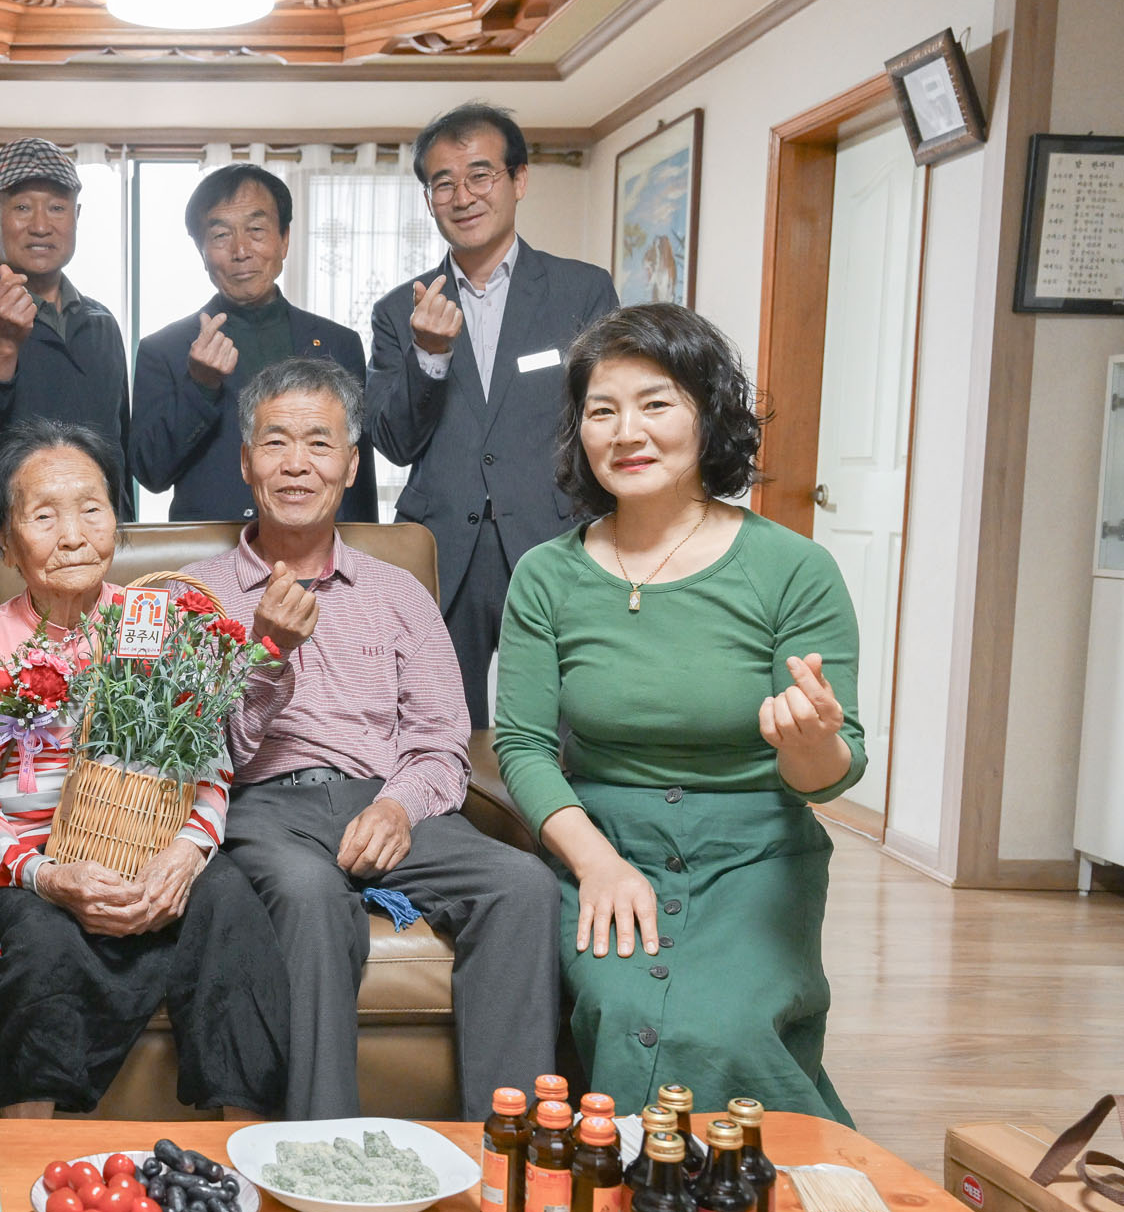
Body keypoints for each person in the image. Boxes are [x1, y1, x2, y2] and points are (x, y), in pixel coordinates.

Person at [492, 304, 866, 1122]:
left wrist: (810, 742)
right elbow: (520, 743)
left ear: (708, 413)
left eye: (656, 403)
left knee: (725, 1025)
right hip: (604, 840)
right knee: (628, 1012)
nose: (627, 431)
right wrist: (595, 862)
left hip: (757, 850)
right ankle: (635, 1186)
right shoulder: (546, 576)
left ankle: (767, 1186)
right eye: (602, 410)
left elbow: (829, 773)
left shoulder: (794, 568)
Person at [186, 357, 559, 1122]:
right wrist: (265, 654)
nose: (297, 464)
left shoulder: (398, 591)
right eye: (276, 442)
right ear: (247, 461)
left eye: (320, 444)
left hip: (384, 799)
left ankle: (507, 1146)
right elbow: (199, 753)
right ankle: (319, 1151)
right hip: (260, 809)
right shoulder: (194, 594)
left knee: (523, 884)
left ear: (351, 467)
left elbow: (442, 742)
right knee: (308, 894)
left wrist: (397, 808)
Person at [0, 419, 288, 1117]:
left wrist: (186, 855)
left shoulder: (153, 622)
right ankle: (31, 1150)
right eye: (44, 516)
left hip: (156, 858)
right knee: (40, 946)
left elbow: (210, 768)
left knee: (231, 905)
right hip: (36, 871)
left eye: (92, 509)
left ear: (116, 523)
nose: (73, 536)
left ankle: (241, 1142)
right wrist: (47, 876)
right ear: (5, 541)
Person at [366, 103, 618, 728]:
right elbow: (392, 441)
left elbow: (610, 414)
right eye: (443, 183)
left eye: (480, 175)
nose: (462, 196)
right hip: (444, 546)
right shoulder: (399, 310)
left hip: (556, 535)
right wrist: (429, 355)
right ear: (429, 199)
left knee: (570, 720)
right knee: (442, 727)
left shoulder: (582, 290)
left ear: (518, 180)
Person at [131, 164, 378, 522]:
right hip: (209, 548)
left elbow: (357, 477)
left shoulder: (339, 344)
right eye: (220, 235)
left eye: (256, 230)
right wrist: (199, 387)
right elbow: (151, 473)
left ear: (284, 239)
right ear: (201, 250)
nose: (241, 250)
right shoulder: (164, 349)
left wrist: (364, 548)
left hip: (318, 545)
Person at [0, 138, 131, 535]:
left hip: (97, 542)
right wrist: (2, 346)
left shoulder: (102, 323)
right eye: (21, 207)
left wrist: (126, 536)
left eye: (57, 208)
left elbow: (119, 453)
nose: (40, 225)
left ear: (76, 216)